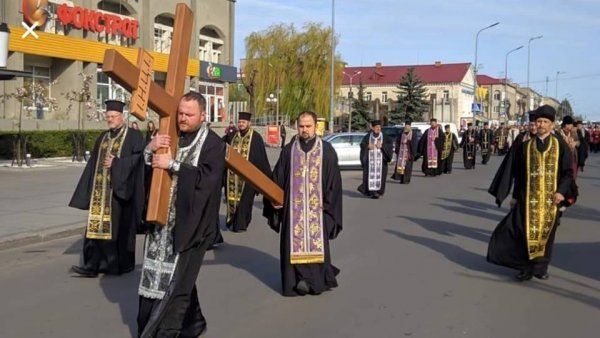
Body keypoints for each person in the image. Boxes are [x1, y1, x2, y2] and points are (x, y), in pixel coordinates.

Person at [137, 91, 225, 337]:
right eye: (180, 113)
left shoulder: (214, 144)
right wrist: (150, 148)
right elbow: (148, 171)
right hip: (160, 225)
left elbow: (208, 182)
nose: (183, 118)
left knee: (178, 286)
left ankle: (167, 332)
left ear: (203, 115)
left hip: (191, 228)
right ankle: (193, 323)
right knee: (171, 279)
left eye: (189, 114)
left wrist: (173, 165)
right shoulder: (169, 135)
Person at [487, 105, 577, 281]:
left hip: (551, 201)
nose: (542, 124)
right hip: (526, 199)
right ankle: (525, 268)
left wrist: (561, 192)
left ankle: (540, 268)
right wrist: (513, 196)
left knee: (546, 235)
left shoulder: (560, 146)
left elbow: (568, 173)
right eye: (539, 121)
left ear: (552, 125)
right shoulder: (526, 146)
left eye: (545, 121)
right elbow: (520, 174)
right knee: (524, 233)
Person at [263, 111, 343, 297]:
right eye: (301, 126)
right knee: (293, 246)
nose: (305, 130)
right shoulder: (289, 151)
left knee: (316, 246)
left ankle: (314, 283)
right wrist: (274, 200)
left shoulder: (326, 150)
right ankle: (295, 282)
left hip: (317, 212)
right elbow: (277, 179)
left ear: (315, 126)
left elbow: (334, 183)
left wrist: (329, 207)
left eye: (308, 126)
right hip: (294, 213)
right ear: (297, 127)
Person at [69, 100, 145, 278]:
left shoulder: (134, 136)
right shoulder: (102, 137)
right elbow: (93, 164)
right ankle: (91, 266)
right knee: (94, 230)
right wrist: (87, 191)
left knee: (117, 231)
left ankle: (115, 265)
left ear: (122, 116)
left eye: (113, 116)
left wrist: (117, 163)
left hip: (119, 193)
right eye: (108, 116)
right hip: (99, 193)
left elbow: (139, 160)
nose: (110, 119)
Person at [222, 112, 271, 232]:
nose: (241, 124)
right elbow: (222, 147)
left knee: (245, 202)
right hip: (232, 176)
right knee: (232, 199)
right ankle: (232, 221)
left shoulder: (256, 137)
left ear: (249, 123)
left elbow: (261, 159)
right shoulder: (232, 135)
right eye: (239, 122)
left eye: (243, 122)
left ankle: (241, 224)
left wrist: (266, 179)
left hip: (248, 178)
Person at [359, 120, 393, 198]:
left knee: (381, 177)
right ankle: (371, 192)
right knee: (369, 176)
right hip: (370, 163)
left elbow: (389, 146)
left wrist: (382, 146)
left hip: (381, 163)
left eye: (379, 127)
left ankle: (379, 192)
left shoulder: (385, 137)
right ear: (373, 128)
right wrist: (367, 146)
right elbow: (362, 145)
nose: (378, 129)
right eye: (376, 127)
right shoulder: (368, 136)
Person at [558, 115, 579, 180]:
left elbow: (578, 142)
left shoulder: (573, 133)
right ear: (566, 125)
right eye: (570, 124)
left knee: (573, 175)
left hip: (573, 156)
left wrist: (575, 143)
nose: (572, 126)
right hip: (562, 157)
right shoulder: (558, 133)